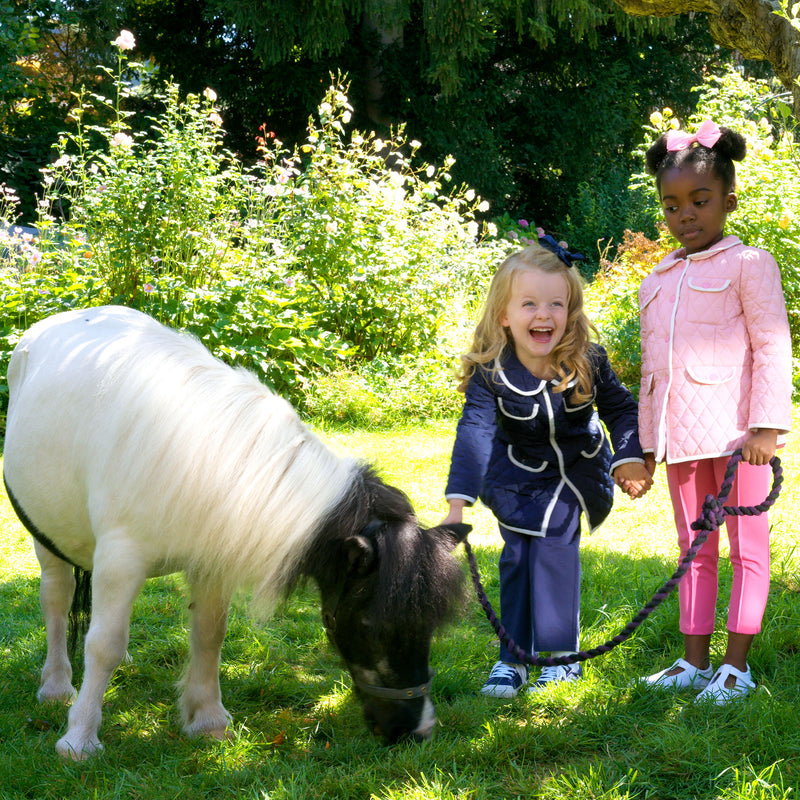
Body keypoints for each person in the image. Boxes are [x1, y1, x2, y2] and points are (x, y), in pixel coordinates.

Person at [442, 240, 652, 698]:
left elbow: (620, 408)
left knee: (555, 544)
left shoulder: (588, 359)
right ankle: (513, 658)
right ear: (504, 314)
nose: (544, 314)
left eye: (556, 303)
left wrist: (629, 455)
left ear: (571, 312)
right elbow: (474, 431)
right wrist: (458, 504)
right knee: (517, 556)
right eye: (530, 303)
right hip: (515, 476)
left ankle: (559, 657)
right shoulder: (490, 372)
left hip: (576, 472)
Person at [637, 119, 792, 703]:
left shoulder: (750, 264)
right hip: (679, 440)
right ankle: (693, 661)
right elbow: (654, 373)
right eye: (673, 205)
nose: (687, 215)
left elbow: (773, 345)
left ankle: (737, 666)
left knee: (747, 546)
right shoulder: (657, 278)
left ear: (727, 201)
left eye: (700, 201)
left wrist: (766, 426)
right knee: (693, 548)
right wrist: (648, 445)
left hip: (736, 438)